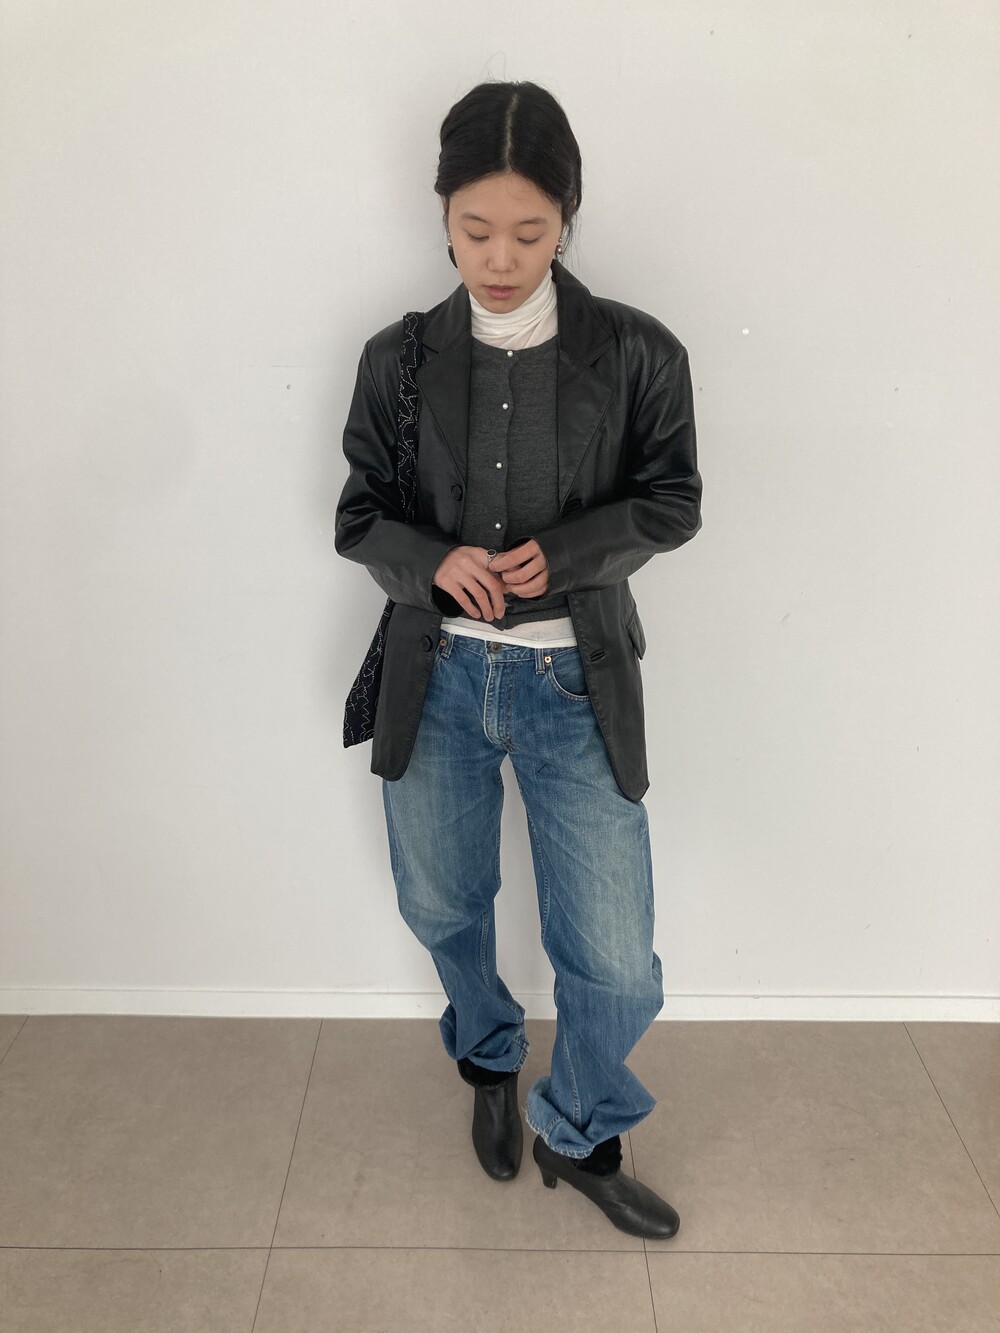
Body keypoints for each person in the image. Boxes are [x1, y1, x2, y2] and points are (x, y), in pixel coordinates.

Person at [335, 80, 701, 1240]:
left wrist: (573, 552)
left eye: (529, 233)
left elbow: (674, 500)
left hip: (571, 683)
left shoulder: (638, 353)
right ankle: (489, 1052)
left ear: (566, 220)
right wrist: (433, 561)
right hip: (435, 674)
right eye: (476, 230)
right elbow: (359, 516)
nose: (499, 259)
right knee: (439, 899)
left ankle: (578, 1125)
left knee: (618, 962)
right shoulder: (396, 360)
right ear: (442, 217)